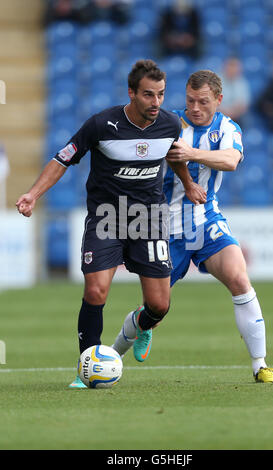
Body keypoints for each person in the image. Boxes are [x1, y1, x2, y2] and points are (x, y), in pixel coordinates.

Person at [16, 60, 206, 388]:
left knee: (159, 305)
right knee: (95, 290)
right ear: (131, 93)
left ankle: (140, 325)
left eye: (160, 94)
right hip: (107, 218)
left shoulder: (171, 125)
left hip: (149, 219)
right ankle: (86, 365)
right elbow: (62, 159)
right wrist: (33, 195)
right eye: (148, 95)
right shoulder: (102, 124)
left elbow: (175, 157)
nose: (156, 102)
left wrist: (188, 184)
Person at [113, 69, 273, 384]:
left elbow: (231, 161)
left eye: (203, 102)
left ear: (219, 100)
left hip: (206, 220)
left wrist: (192, 153)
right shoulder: (169, 123)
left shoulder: (228, 128)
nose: (195, 108)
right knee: (153, 307)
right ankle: (107, 360)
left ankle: (260, 366)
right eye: (190, 100)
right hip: (164, 228)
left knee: (239, 278)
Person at [218, 57, 251, 128]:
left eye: (235, 66)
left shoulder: (242, 82)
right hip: (219, 115)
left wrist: (231, 114)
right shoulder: (216, 81)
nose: (232, 69)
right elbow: (213, 103)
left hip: (237, 117)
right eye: (230, 66)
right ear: (224, 67)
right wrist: (226, 114)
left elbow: (243, 105)